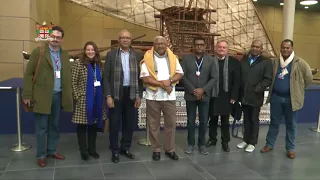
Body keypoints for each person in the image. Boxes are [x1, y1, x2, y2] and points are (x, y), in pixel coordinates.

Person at [22, 26, 73, 167]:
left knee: (54, 126)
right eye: (53, 36)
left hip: (58, 96)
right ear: (49, 37)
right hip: (42, 96)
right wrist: (27, 94)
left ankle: (51, 150)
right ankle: (41, 155)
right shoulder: (38, 52)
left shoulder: (64, 54)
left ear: (62, 39)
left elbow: (66, 75)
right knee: (42, 127)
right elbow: (28, 75)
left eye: (58, 37)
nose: (55, 39)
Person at [260, 39, 313, 159]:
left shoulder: (300, 62)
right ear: (280, 48)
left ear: (292, 49)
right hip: (276, 98)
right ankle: (269, 144)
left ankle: (290, 148)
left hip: (291, 100)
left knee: (291, 124)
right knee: (274, 123)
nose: (285, 49)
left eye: (288, 48)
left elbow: (308, 78)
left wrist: (298, 89)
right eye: (283, 47)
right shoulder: (275, 62)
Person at [140, 36, 183, 161]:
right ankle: (156, 150)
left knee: (171, 124)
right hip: (152, 97)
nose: (160, 45)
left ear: (166, 45)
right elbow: (145, 78)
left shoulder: (173, 58)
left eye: (162, 43)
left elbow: (179, 73)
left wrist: (169, 81)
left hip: (169, 97)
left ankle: (170, 149)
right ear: (154, 44)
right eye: (157, 43)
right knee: (153, 125)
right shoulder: (147, 58)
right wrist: (163, 85)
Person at [103, 29, 143, 163]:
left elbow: (140, 78)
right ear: (119, 40)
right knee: (114, 123)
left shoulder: (137, 56)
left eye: (127, 38)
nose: (125, 40)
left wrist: (139, 96)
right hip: (116, 94)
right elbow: (106, 77)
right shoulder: (111, 54)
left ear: (131, 40)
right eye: (122, 38)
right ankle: (114, 150)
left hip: (131, 93)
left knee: (128, 123)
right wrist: (108, 95)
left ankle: (125, 148)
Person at [71, 41, 108, 161]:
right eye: (88, 50)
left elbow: (101, 81)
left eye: (92, 50)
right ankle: (84, 150)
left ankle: (92, 150)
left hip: (97, 101)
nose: (90, 52)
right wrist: (78, 97)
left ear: (95, 51)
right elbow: (73, 82)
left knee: (93, 127)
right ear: (84, 51)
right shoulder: (78, 64)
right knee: (82, 127)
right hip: (83, 101)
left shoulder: (99, 65)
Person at [181, 37, 217, 155]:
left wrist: (203, 90)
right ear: (193, 45)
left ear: (205, 46)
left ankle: (202, 145)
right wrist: (193, 90)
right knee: (190, 121)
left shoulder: (211, 60)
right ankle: (190, 144)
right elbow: (182, 76)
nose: (199, 46)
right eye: (197, 44)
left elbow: (214, 78)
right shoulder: (186, 59)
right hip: (190, 95)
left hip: (205, 96)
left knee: (203, 121)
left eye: (201, 44)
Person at [236, 40, 273, 153]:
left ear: (261, 49)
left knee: (253, 119)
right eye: (253, 46)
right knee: (246, 119)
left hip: (256, 96)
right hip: (244, 95)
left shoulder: (266, 62)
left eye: (257, 47)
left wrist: (257, 88)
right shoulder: (245, 59)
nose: (255, 48)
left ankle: (252, 142)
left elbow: (268, 79)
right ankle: (245, 140)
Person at [206, 40, 241, 152]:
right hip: (213, 96)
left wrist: (234, 97)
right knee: (212, 120)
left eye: (224, 47)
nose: (221, 49)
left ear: (227, 49)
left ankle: (225, 142)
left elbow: (237, 81)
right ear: (216, 48)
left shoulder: (234, 62)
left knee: (225, 121)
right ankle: (212, 139)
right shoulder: (210, 61)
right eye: (220, 47)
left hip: (227, 97)